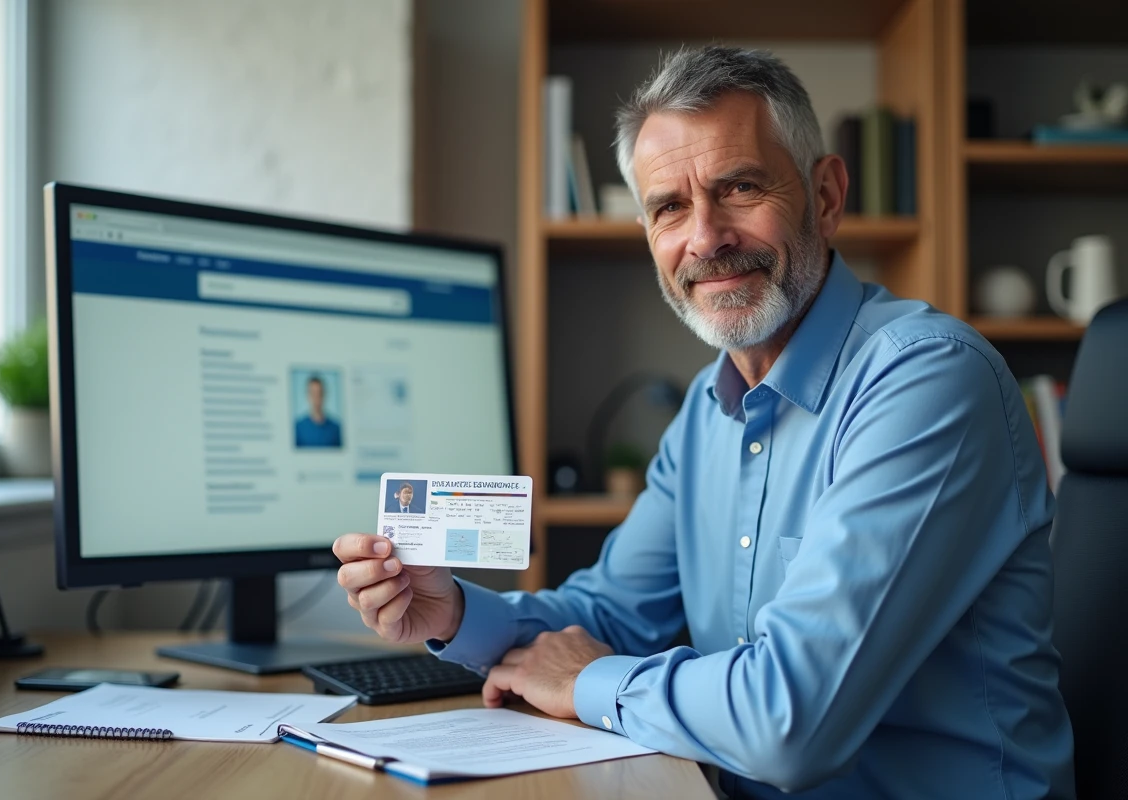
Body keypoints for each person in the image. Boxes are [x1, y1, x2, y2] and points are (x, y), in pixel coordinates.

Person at [333, 46, 1074, 798]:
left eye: (740, 187)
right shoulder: (705, 411)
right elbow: (608, 614)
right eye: (670, 208)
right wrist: (452, 611)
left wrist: (591, 681)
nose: (706, 237)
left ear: (825, 196)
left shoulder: (925, 379)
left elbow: (789, 723)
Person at [293, 374, 341, 448]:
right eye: (313, 394)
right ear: (308, 396)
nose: (316, 398)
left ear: (324, 394)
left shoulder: (336, 429)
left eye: (319, 393)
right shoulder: (298, 428)